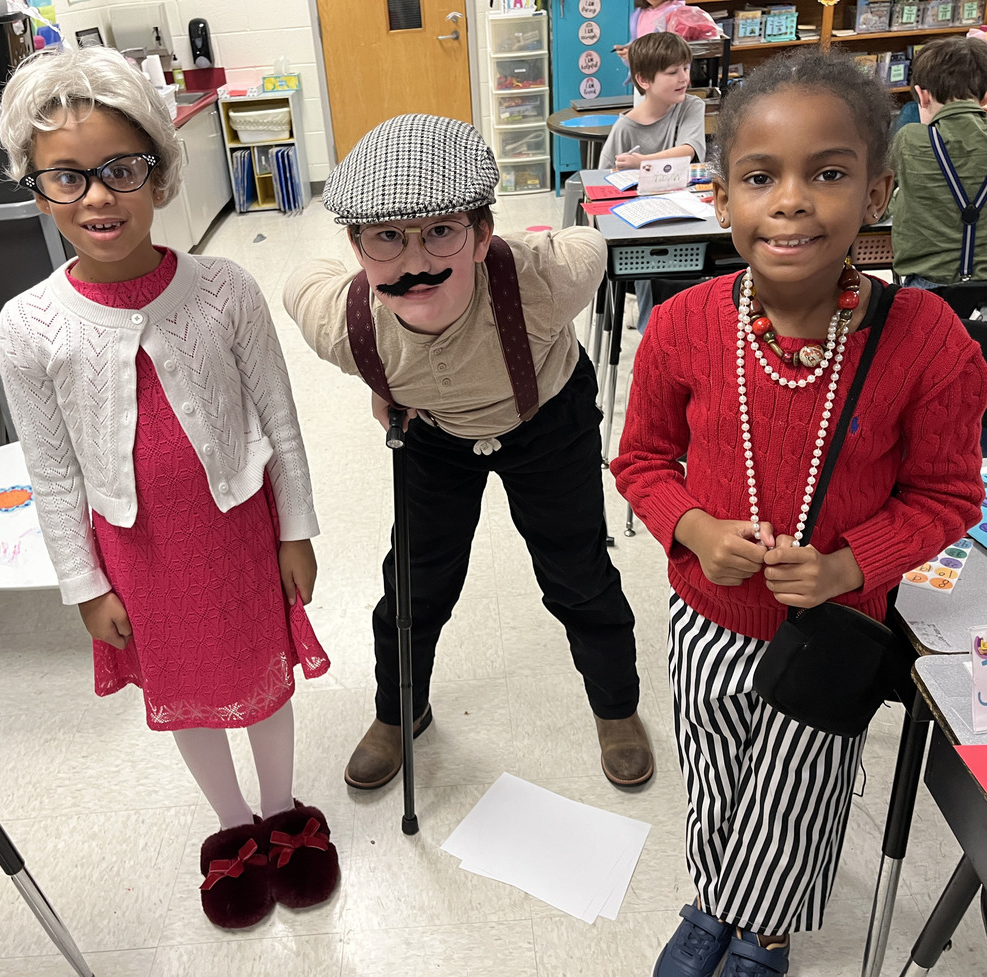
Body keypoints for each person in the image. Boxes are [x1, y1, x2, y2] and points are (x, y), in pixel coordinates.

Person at [611, 50, 987, 977]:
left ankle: (764, 933)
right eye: (759, 177)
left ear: (876, 192)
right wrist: (695, 530)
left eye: (827, 173)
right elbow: (642, 462)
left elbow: (948, 493)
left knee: (799, 789)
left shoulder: (926, 340)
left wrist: (846, 566)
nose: (791, 201)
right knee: (717, 774)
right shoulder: (683, 325)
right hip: (709, 617)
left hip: (835, 626)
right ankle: (716, 901)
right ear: (722, 196)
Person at [0, 47, 339, 930]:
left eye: (121, 169)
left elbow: (281, 416)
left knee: (262, 676)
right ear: (37, 191)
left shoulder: (224, 288)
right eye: (68, 178)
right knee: (184, 685)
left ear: (159, 169)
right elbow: (54, 469)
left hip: (238, 529)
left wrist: (295, 526)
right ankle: (231, 828)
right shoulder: (29, 324)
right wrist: (85, 583)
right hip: (138, 552)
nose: (99, 197)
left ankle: (283, 808)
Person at [283, 113, 652, 793]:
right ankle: (400, 711)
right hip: (434, 435)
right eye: (385, 238)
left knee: (576, 569)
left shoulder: (545, 281)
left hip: (545, 416)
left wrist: (514, 250)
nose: (416, 261)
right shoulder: (341, 323)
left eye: (442, 231)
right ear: (356, 247)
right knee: (414, 583)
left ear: (483, 235)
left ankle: (616, 704)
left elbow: (590, 246)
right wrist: (382, 381)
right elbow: (299, 280)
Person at [599, 31, 706, 333]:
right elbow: (602, 183)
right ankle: (650, 328)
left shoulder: (690, 106)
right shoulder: (624, 127)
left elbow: (689, 151)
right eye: (672, 72)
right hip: (640, 221)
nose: (683, 77)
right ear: (644, 80)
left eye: (686, 68)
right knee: (646, 255)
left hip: (684, 211)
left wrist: (642, 162)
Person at [889, 36, 987, 288]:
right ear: (985, 98)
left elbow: (878, 203)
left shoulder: (908, 140)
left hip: (928, 286)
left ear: (921, 96)